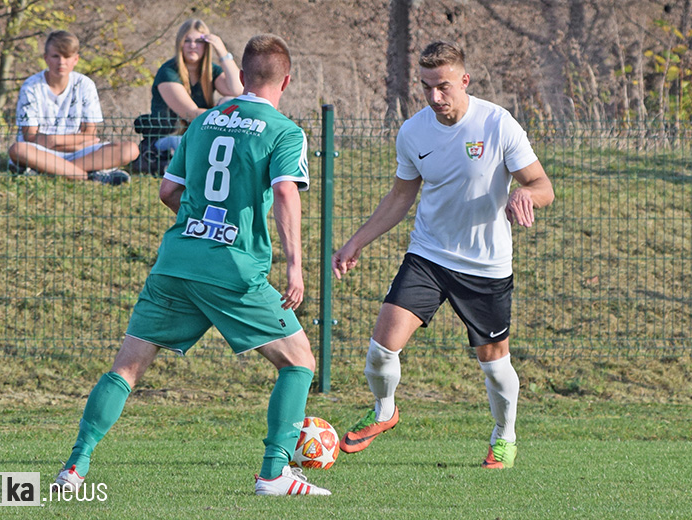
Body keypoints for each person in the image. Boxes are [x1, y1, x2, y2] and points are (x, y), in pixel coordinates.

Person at [54, 34, 331, 496]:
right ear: (287, 80)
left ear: (240, 77)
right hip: (233, 267)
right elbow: (285, 192)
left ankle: (74, 469)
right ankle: (274, 473)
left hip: (177, 261)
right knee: (299, 362)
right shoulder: (285, 131)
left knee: (125, 369)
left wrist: (199, 223)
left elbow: (167, 192)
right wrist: (295, 266)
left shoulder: (202, 124)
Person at [332, 41, 554, 469]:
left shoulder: (497, 124)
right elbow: (400, 197)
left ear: (464, 81)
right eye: (427, 87)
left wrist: (526, 194)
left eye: (444, 86)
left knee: (494, 366)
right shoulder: (413, 132)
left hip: (486, 266)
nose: (435, 97)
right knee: (381, 349)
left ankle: (504, 436)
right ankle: (384, 411)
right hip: (429, 256)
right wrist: (356, 241)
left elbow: (543, 185)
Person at [8, 30, 138, 185]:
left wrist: (54, 140)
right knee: (18, 150)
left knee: (130, 149)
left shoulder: (85, 85)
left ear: (76, 59)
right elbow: (30, 136)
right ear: (46, 58)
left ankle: (48, 170)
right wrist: (76, 141)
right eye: (56, 56)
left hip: (80, 153)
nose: (61, 62)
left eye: (67, 57)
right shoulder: (31, 86)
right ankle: (89, 175)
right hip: (40, 152)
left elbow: (90, 134)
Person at [132, 18, 243, 175]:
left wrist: (223, 52)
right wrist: (227, 119)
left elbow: (238, 90)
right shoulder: (168, 72)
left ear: (207, 45)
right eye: (187, 40)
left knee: (230, 101)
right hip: (168, 138)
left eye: (199, 41)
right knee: (185, 144)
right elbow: (190, 113)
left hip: (202, 134)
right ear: (180, 44)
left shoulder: (211, 71)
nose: (192, 45)